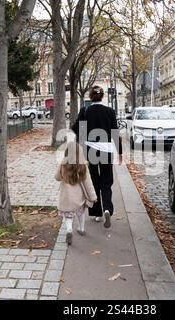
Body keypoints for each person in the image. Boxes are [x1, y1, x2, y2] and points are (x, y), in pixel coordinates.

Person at [72, 86, 123, 229]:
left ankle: (97, 213)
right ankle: (107, 208)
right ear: (103, 96)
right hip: (106, 150)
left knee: (94, 182)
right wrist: (120, 152)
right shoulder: (110, 111)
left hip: (90, 151)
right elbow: (114, 133)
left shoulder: (86, 111)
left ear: (90, 96)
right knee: (107, 182)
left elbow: (77, 130)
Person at [55, 141, 97, 245]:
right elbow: (88, 183)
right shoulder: (83, 166)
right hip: (79, 198)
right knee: (81, 213)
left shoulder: (63, 164)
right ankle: (81, 228)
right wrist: (93, 196)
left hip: (67, 198)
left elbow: (57, 177)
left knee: (68, 216)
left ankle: (69, 230)